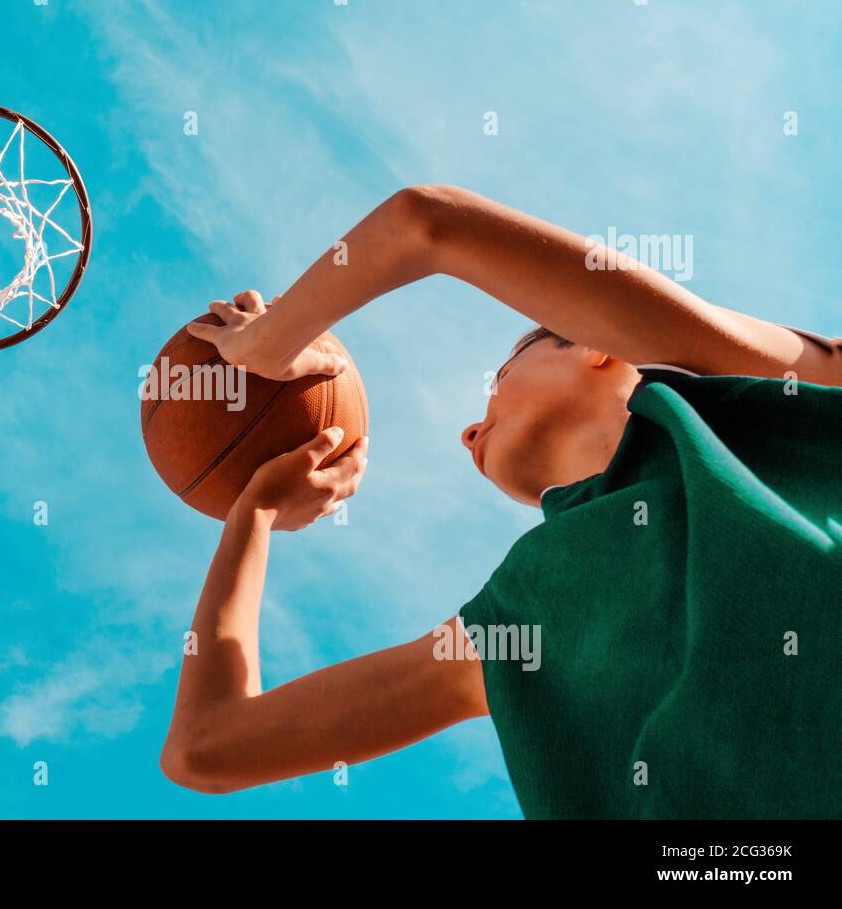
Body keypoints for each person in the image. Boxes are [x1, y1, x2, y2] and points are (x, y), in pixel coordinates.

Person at [159, 185, 842, 817]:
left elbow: (426, 223)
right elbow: (206, 748)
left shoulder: (760, 390)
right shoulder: (515, 622)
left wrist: (270, 345)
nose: (470, 427)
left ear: (598, 349)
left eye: (500, 379)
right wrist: (255, 516)